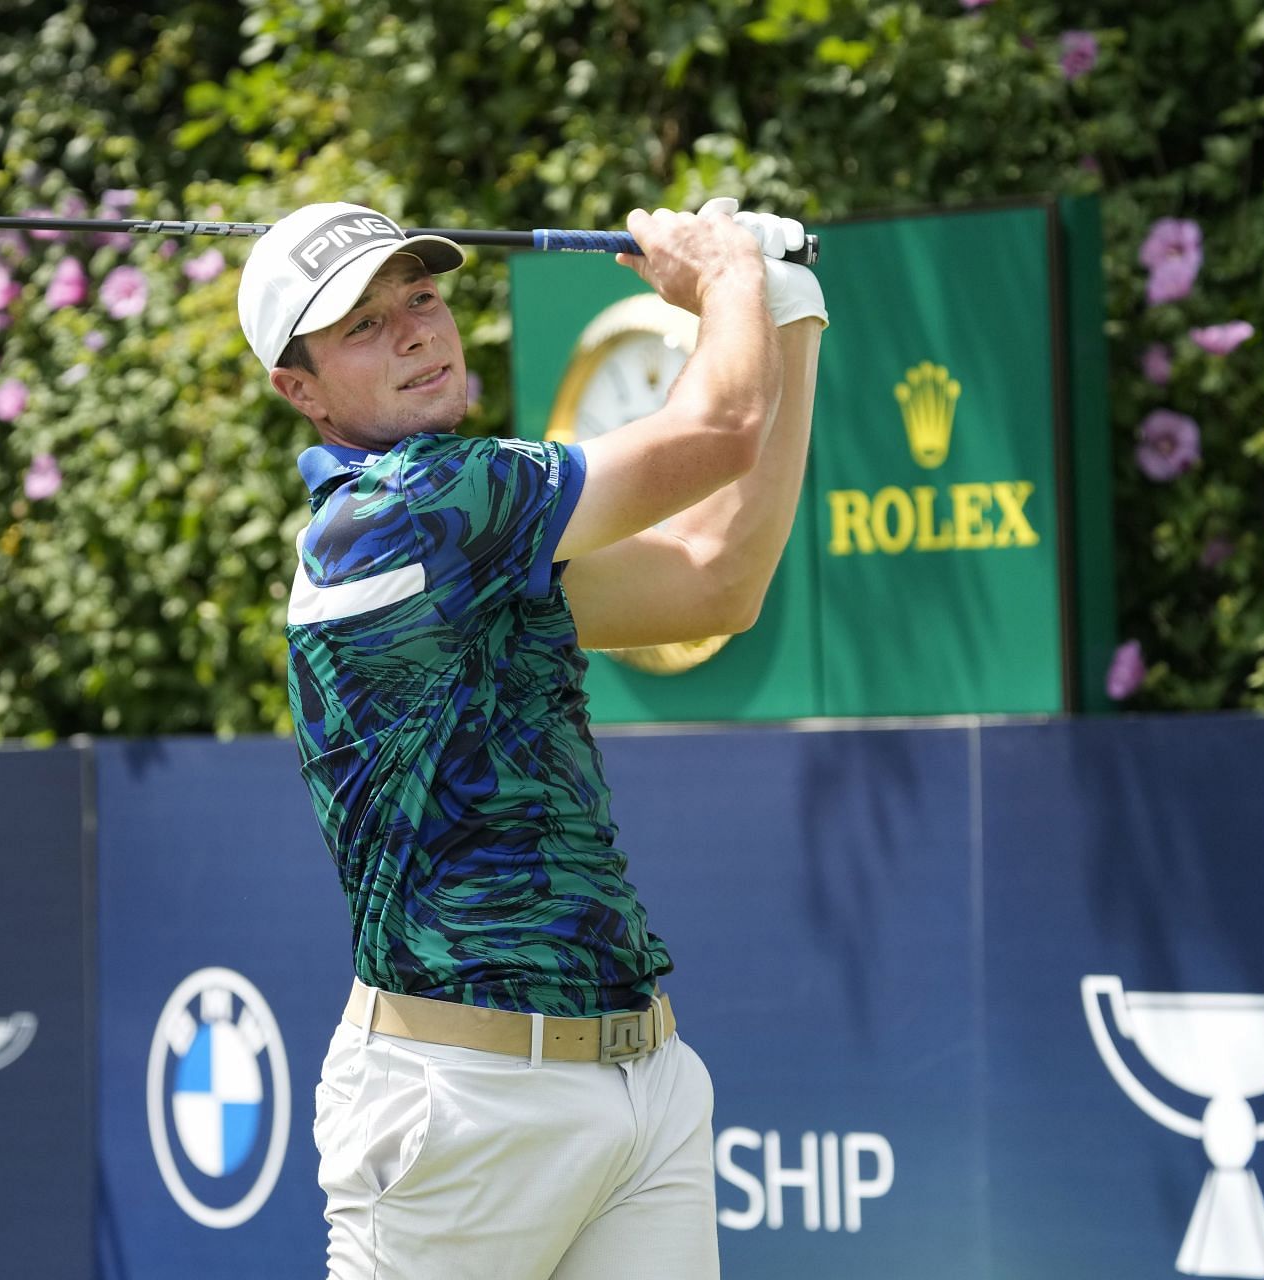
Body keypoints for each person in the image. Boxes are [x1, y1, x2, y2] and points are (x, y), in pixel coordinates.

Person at [237, 197, 825, 1279]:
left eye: (420, 297)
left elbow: (717, 579)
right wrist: (726, 277)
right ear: (299, 389)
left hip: (637, 1081)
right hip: (461, 1105)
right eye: (362, 325)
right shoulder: (410, 510)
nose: (416, 330)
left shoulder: (480, 547)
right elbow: (719, 433)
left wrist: (789, 312)